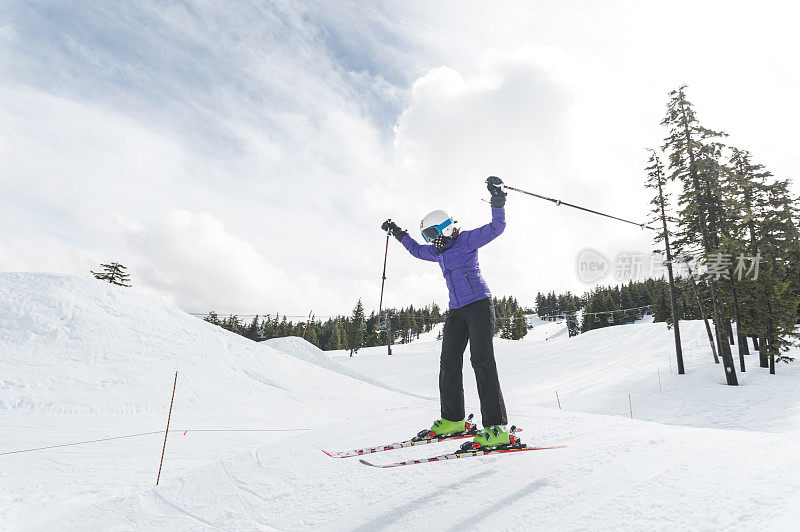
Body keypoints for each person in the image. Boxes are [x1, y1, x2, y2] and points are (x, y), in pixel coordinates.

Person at [381, 176, 511, 448]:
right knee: (449, 362)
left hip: (478, 305)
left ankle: (496, 427)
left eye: (431, 234)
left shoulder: (466, 240)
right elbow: (416, 250)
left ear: (446, 228)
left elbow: (497, 227)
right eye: (427, 236)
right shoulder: (438, 252)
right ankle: (453, 419)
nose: (430, 240)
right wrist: (398, 232)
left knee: (481, 361)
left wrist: (497, 199)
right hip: (456, 311)